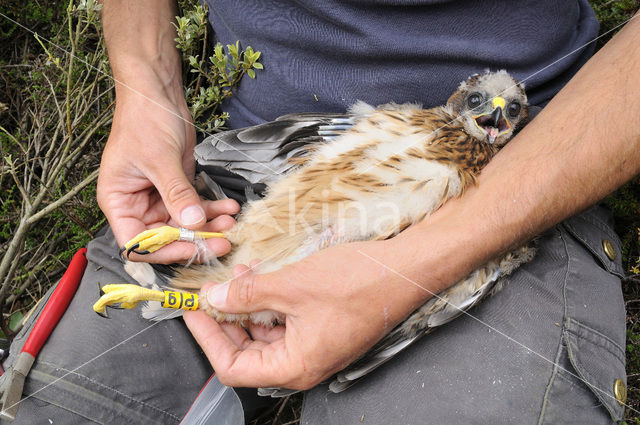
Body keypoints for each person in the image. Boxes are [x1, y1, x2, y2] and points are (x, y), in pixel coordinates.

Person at [5, 1, 638, 423]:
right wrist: (148, 89)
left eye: (502, 112)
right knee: (52, 405)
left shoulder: (498, 146)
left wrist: (414, 267)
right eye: (484, 102)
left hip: (529, 193)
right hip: (250, 175)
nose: (493, 114)